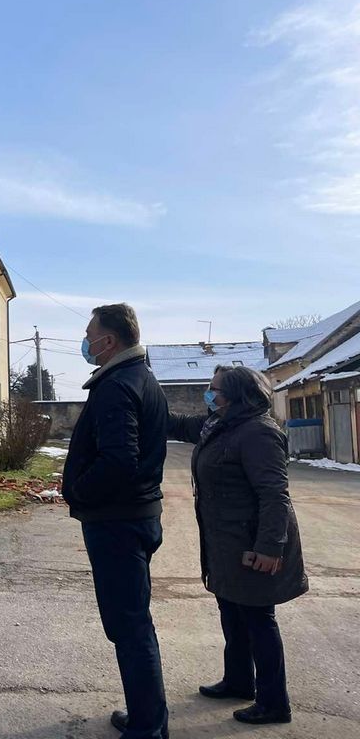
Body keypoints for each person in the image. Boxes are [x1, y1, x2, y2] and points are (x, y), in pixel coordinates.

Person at [168, 365, 308, 725]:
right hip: (226, 542)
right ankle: (239, 680)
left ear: (236, 395)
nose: (209, 394)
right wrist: (145, 401)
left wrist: (270, 547)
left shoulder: (258, 432)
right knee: (231, 611)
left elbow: (274, 495)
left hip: (252, 542)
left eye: (214, 389)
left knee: (258, 618)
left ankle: (274, 702)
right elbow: (179, 425)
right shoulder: (220, 425)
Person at [63, 303, 169, 739]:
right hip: (135, 516)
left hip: (118, 523)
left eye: (90, 335)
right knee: (133, 622)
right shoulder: (141, 377)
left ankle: (148, 728)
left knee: (129, 627)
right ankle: (147, 715)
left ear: (108, 341)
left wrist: (77, 491)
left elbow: (119, 461)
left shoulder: (117, 385)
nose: (86, 342)